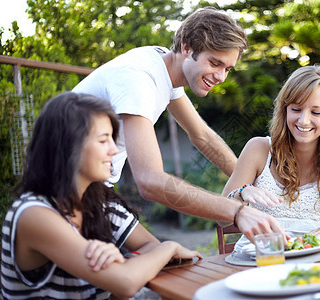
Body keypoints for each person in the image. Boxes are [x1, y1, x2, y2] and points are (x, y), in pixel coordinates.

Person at [72, 7, 284, 241]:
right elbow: (150, 181)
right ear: (186, 47)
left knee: (166, 255)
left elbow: (202, 136)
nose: (221, 77)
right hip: (66, 192)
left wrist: (251, 184)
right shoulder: (139, 80)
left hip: (97, 191)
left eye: (227, 69)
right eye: (214, 63)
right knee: (158, 260)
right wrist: (237, 211)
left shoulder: (163, 65)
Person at [0, 92, 202, 299]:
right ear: (68, 146)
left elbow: (149, 247)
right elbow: (126, 283)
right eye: (104, 140)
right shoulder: (34, 215)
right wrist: (170, 247)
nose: (114, 150)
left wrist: (124, 263)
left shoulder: (100, 203)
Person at [222, 64, 320, 251]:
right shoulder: (259, 149)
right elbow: (221, 220)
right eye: (296, 109)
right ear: (285, 109)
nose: (303, 121)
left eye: (315, 112)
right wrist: (241, 192)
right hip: (259, 261)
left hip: (315, 264)